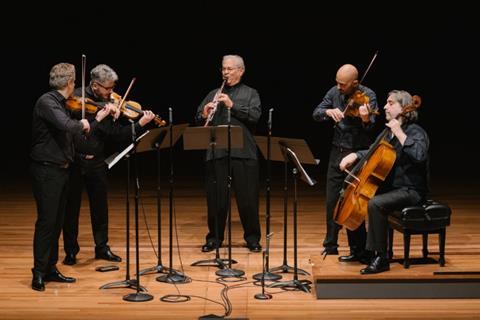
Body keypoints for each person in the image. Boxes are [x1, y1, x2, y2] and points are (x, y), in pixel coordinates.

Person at [62, 64, 155, 265]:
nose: (111, 92)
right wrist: (99, 116)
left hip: (97, 162)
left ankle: (102, 248)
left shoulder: (110, 102)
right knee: (71, 209)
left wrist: (139, 125)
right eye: (108, 88)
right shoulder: (75, 100)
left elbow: (117, 135)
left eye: (112, 88)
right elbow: (72, 131)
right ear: (95, 86)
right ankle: (70, 251)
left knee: (100, 208)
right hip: (75, 161)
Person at [30, 62, 105, 291]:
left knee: (57, 222)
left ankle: (50, 268)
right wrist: (83, 122)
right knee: (47, 222)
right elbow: (66, 125)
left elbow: (73, 134)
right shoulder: (47, 101)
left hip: (62, 169)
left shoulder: (63, 103)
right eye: (74, 82)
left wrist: (94, 122)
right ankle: (39, 272)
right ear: (70, 83)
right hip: (46, 170)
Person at [339, 90, 429, 274]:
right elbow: (373, 151)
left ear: (403, 107)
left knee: (376, 203)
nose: (385, 106)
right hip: (393, 187)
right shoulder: (388, 131)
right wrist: (355, 155)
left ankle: (381, 258)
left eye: (390, 103)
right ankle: (361, 250)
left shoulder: (416, 131)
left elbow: (420, 156)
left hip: (411, 190)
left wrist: (400, 133)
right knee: (357, 196)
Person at [195, 54, 262, 253]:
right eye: (223, 69)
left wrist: (232, 105)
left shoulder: (251, 93)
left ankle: (252, 238)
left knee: (248, 199)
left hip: (244, 152)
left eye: (230, 69)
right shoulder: (213, 93)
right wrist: (205, 113)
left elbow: (255, 116)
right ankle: (214, 238)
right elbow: (199, 118)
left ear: (241, 71)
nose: (225, 72)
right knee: (216, 199)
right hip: (217, 152)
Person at [313, 64, 378, 262]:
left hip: (357, 154)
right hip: (336, 152)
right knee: (332, 200)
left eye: (343, 84)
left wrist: (366, 119)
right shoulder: (334, 92)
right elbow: (316, 113)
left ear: (355, 83)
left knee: (352, 203)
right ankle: (330, 245)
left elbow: (371, 130)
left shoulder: (368, 95)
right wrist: (328, 112)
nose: (339, 87)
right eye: (337, 83)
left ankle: (358, 249)